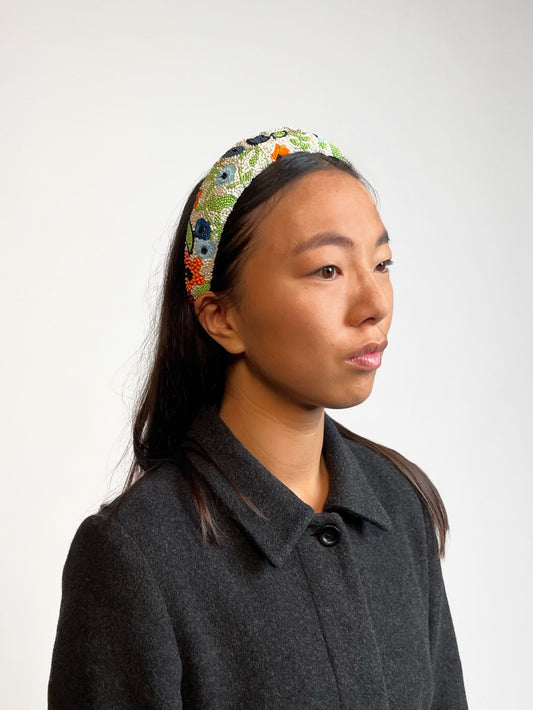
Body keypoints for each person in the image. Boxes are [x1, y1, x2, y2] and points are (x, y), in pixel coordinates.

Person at [48, 128, 468, 709]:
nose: (375, 305)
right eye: (328, 270)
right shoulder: (135, 553)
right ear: (222, 317)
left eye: (382, 263)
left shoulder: (398, 504)